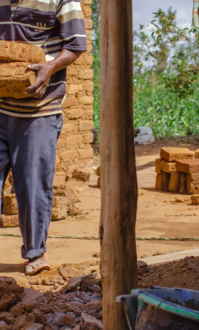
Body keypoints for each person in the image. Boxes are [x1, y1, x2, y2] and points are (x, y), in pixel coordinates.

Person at [0, 0, 87, 275]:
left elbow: (76, 45)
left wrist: (50, 67)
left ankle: (35, 254)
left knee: (33, 186)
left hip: (39, 111)